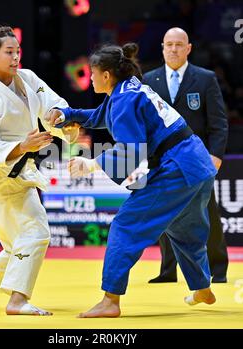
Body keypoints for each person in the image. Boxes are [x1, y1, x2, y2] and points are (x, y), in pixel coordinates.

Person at [46, 43, 217, 318]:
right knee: (186, 230)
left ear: (106, 75)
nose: (89, 77)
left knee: (125, 226)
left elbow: (132, 151)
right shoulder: (128, 89)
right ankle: (202, 288)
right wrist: (67, 115)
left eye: (92, 73)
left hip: (178, 167)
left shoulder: (124, 99)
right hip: (197, 163)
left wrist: (90, 164)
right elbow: (99, 116)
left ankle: (110, 301)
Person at [0, 25, 79, 316]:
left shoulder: (27, 78)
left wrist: (62, 119)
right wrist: (22, 146)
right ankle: (17, 300)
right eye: (9, 53)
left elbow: (52, 104)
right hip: (5, 178)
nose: (15, 58)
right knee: (36, 233)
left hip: (25, 173)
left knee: (19, 244)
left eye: (18, 51)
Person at [142, 27, 229, 284]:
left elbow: (219, 123)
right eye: (169, 44)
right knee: (166, 216)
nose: (174, 49)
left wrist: (216, 157)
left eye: (179, 44)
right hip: (163, 160)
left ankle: (218, 270)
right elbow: (146, 124)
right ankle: (168, 271)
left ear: (188, 48)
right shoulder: (149, 80)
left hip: (198, 161)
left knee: (207, 214)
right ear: (162, 47)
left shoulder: (205, 79)